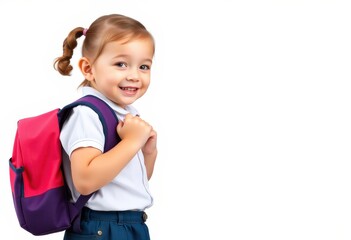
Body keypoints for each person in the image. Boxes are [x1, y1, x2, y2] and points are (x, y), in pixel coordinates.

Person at [54, 13, 157, 240]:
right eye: (121, 64)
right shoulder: (86, 114)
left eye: (144, 66)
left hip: (131, 224)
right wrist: (131, 142)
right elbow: (86, 181)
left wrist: (146, 151)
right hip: (102, 228)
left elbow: (130, 183)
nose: (134, 75)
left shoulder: (124, 114)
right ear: (88, 69)